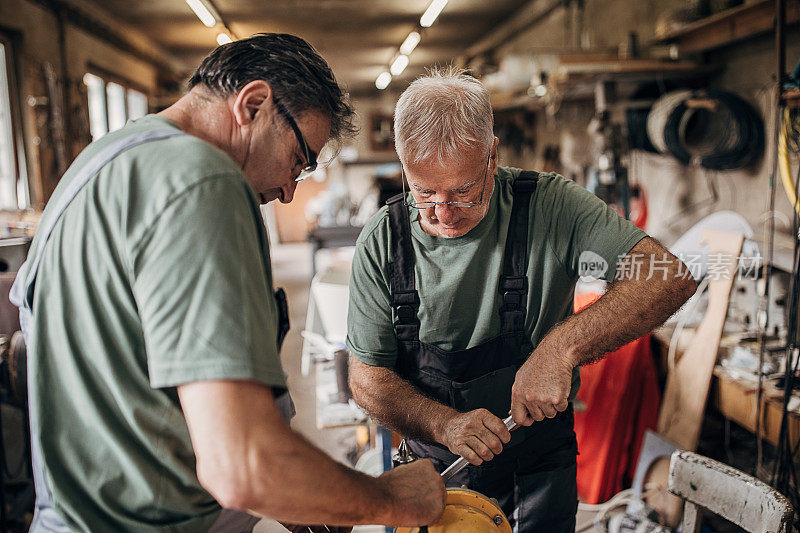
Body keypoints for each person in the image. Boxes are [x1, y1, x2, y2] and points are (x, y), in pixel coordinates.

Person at [11, 33, 445, 533]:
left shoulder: (98, 165)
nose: (287, 192)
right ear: (254, 104)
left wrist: (307, 500)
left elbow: (154, 388)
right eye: (298, 160)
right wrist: (389, 499)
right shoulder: (203, 182)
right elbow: (241, 466)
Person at [346, 69, 697, 532]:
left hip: (537, 473)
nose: (443, 213)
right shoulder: (383, 241)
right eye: (424, 193)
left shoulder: (551, 208)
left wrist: (561, 348)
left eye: (463, 192)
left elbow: (667, 276)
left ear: (492, 155)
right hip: (434, 476)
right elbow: (367, 379)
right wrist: (444, 424)